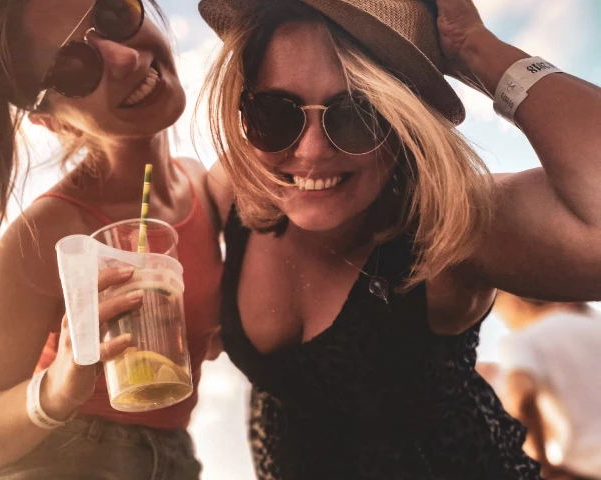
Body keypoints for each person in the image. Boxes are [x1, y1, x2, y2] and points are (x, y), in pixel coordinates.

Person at [198, 0, 601, 478]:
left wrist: (478, 51)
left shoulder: (446, 223)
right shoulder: (244, 184)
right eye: (274, 113)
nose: (310, 150)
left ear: (404, 121)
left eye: (358, 114)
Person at [0, 0, 222, 478]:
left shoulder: (200, 183)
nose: (125, 58)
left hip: (177, 459)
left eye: (114, 13)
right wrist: (59, 385)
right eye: (74, 68)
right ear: (49, 120)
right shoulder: (49, 233)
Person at [494, 292, 601, 480]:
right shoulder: (596, 323)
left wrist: (543, 464)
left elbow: (521, 398)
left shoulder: (522, 340)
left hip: (587, 467)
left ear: (514, 302)